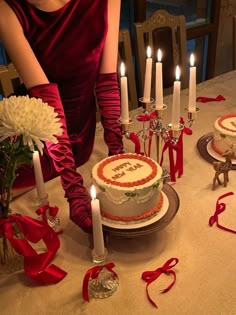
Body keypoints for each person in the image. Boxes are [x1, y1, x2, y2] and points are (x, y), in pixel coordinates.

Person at [0, 0, 124, 233]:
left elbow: (106, 82)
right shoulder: (7, 8)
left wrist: (118, 154)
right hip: (34, 146)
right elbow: (47, 104)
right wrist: (73, 190)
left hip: (82, 140)